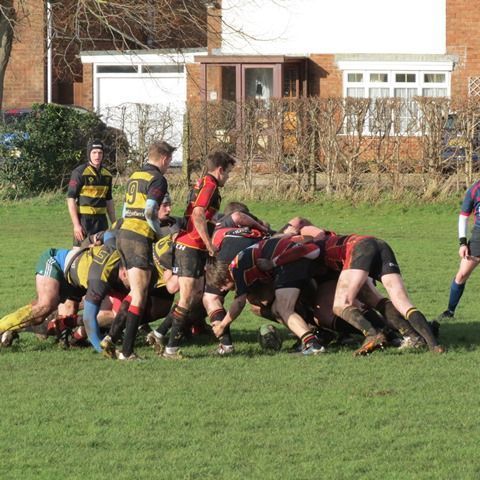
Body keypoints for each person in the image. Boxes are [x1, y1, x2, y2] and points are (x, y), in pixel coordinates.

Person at [160, 150, 236, 359]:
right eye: (227, 173)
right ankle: (170, 348)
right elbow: (198, 213)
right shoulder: (210, 185)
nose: (227, 178)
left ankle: (161, 335)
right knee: (186, 298)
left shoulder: (202, 182)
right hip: (191, 246)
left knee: (194, 296)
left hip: (191, 245)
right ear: (219, 170)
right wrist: (208, 242)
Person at [207, 236, 325, 355]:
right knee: (276, 310)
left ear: (226, 277)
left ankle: (312, 344)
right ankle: (311, 338)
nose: (222, 289)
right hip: (295, 258)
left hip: (289, 261)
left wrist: (222, 326)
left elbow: (239, 303)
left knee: (283, 308)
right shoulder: (241, 264)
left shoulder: (236, 268)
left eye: (221, 285)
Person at [114, 140, 175, 360]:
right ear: (165, 158)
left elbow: (124, 209)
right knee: (139, 295)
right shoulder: (158, 178)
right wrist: (159, 234)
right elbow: (150, 211)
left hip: (123, 233)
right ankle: (127, 351)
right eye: (169, 162)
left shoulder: (136, 175)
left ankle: (113, 339)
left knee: (135, 293)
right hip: (138, 237)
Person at [438, 180, 480, 320]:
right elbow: (463, 217)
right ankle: (450, 311)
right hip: (478, 238)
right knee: (461, 275)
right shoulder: (475, 189)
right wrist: (462, 243)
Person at [67, 139, 116, 247]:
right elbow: (70, 199)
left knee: (102, 253)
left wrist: (114, 223)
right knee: (79, 254)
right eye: (94, 152)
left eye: (100, 153)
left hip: (101, 221)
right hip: (84, 221)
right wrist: (76, 225)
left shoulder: (107, 175)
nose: (97, 156)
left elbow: (109, 201)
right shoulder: (79, 172)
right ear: (89, 154)